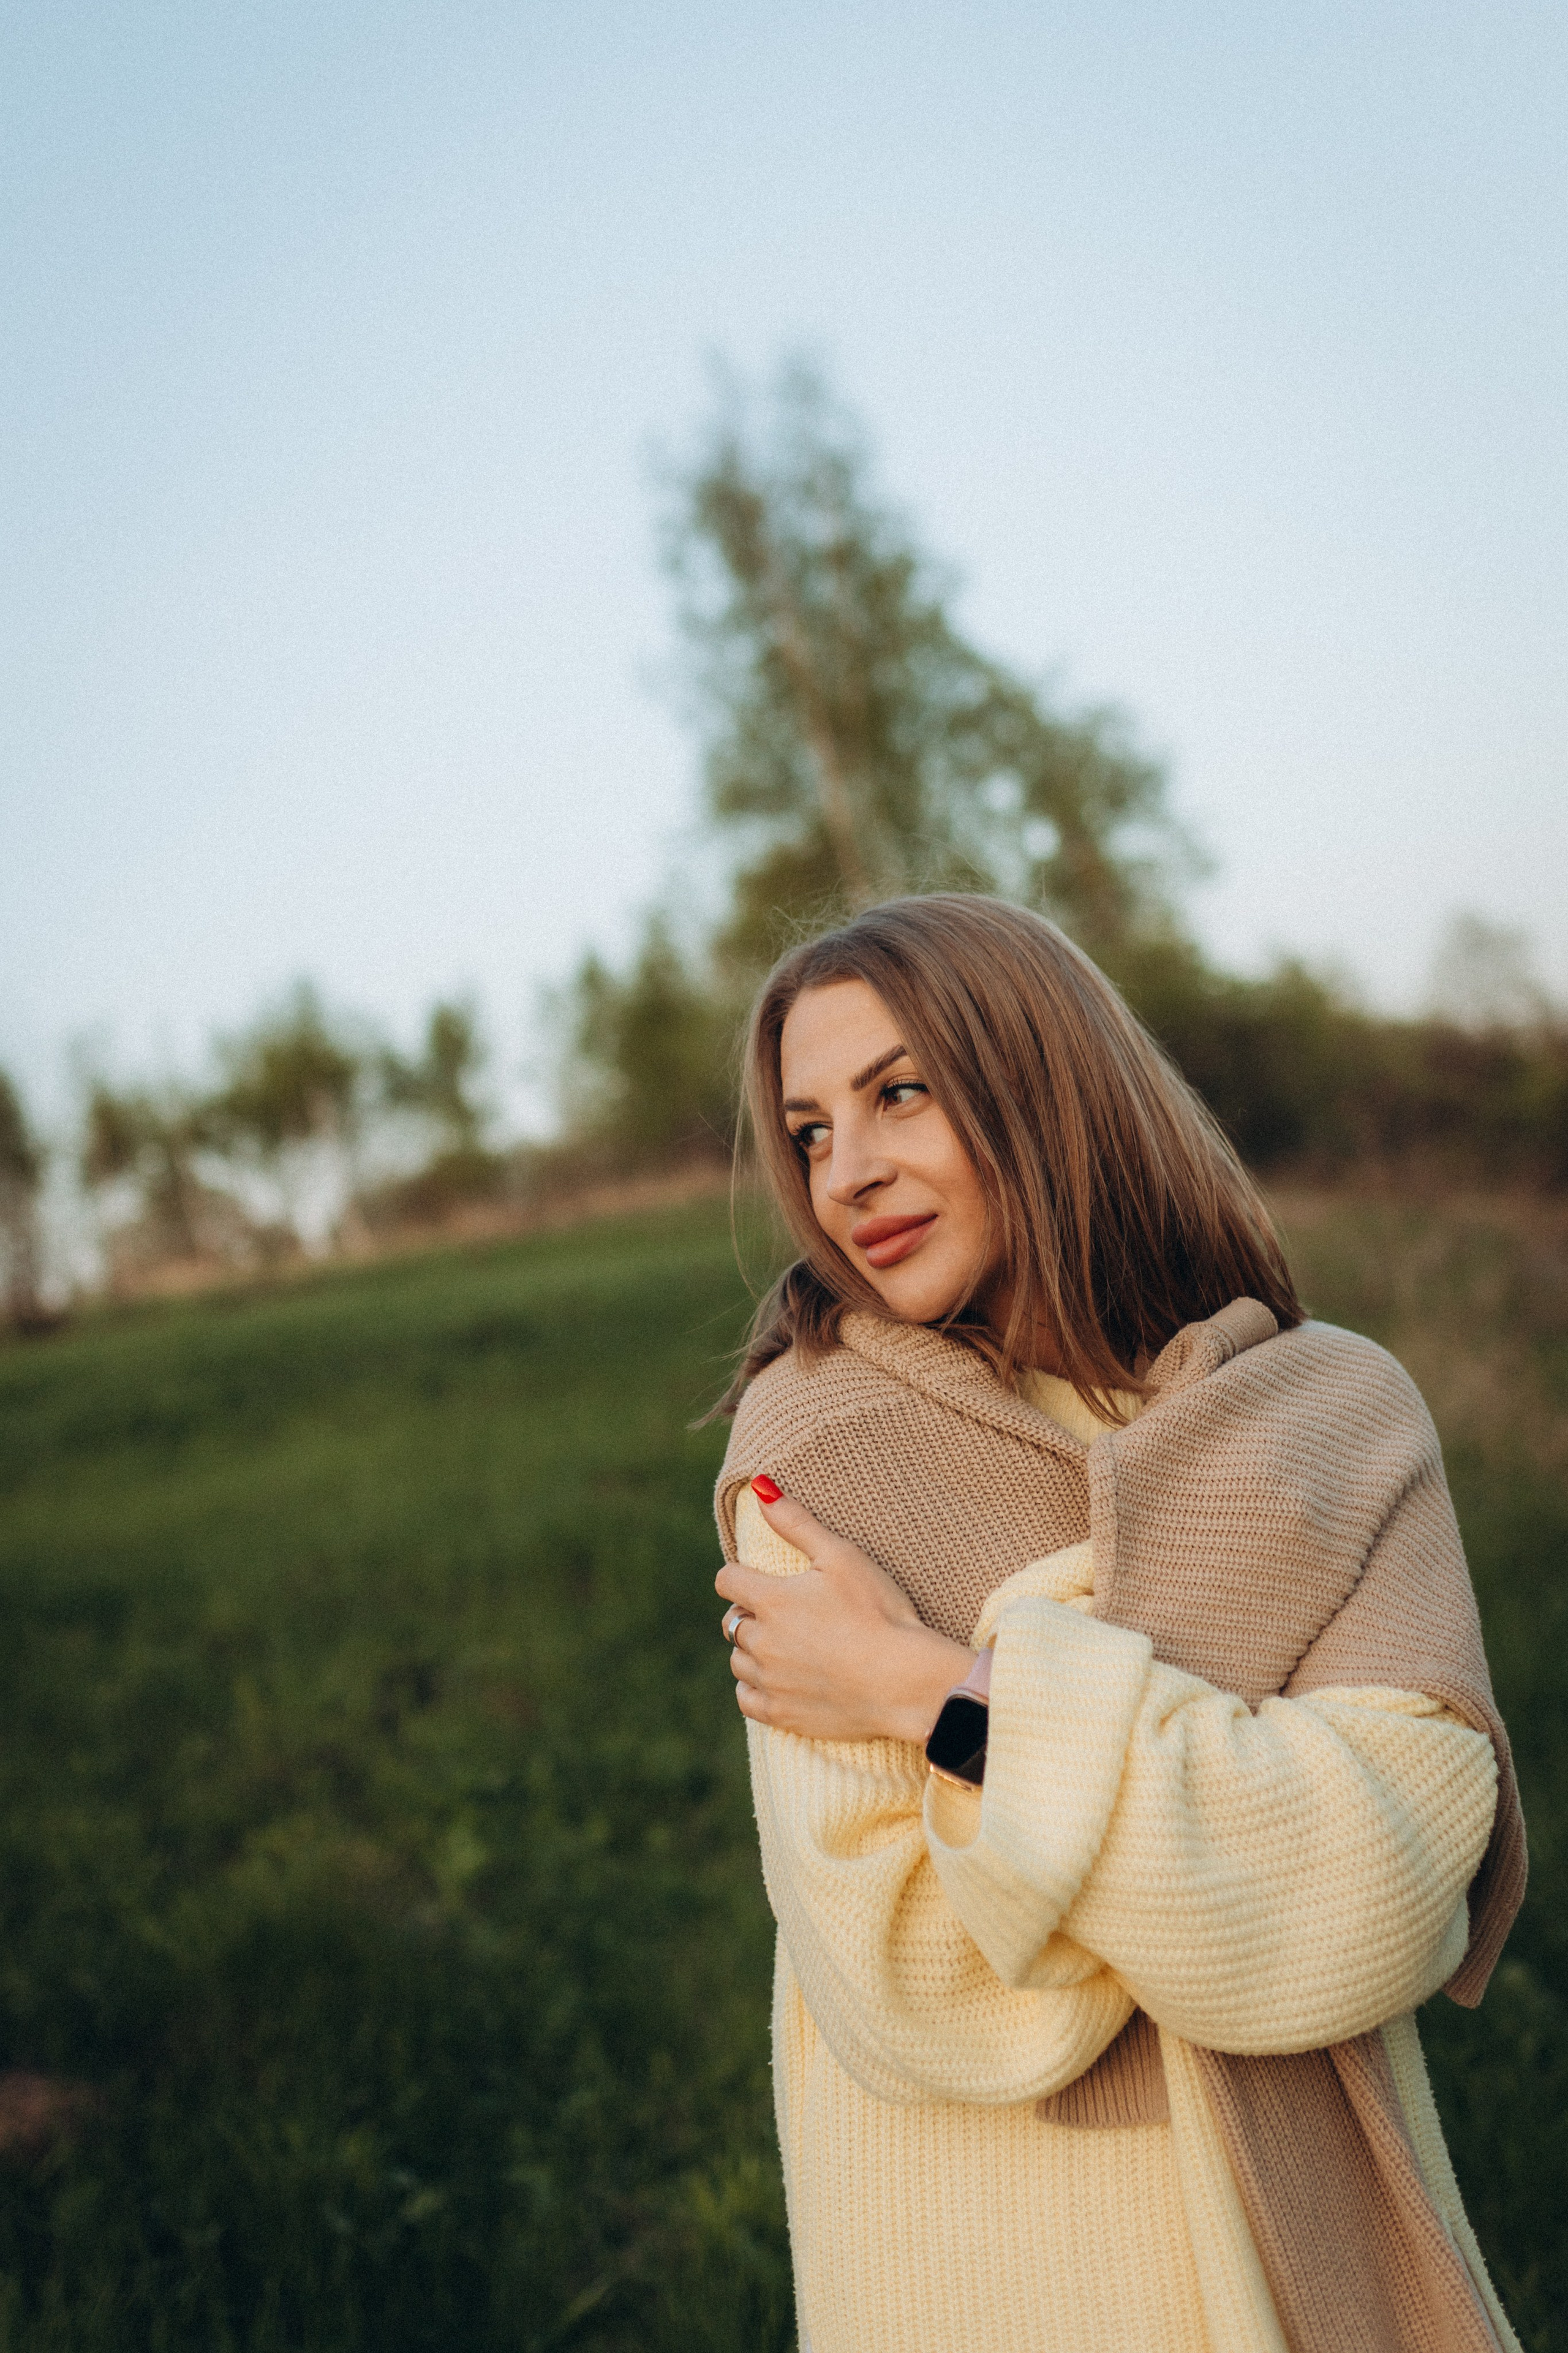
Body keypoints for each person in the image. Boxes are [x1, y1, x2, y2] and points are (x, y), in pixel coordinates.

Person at [712, 894, 1525, 2353]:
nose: (849, 1174)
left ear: (1040, 1080)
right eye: (812, 1129)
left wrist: (937, 1695)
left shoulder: (1329, 1422)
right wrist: (1227, 1819)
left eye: (898, 1093)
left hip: (1305, 2279)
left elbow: (1379, 1897)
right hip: (989, 2276)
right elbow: (915, 1987)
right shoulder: (813, 1464)